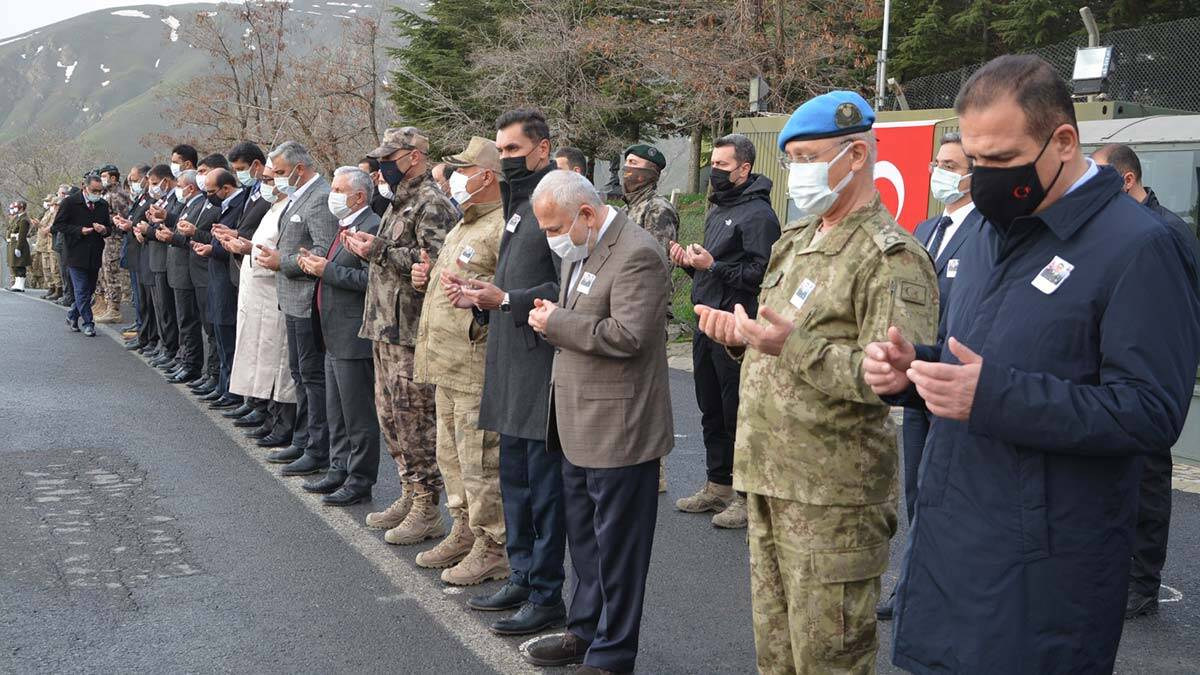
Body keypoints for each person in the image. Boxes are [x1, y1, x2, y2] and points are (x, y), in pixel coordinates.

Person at [860, 55, 1200, 674]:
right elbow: (980, 359)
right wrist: (914, 372)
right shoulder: (988, 230)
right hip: (952, 548)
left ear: (1064, 141)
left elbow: (1150, 411)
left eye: (1001, 160)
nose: (983, 179)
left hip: (1045, 576)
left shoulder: (1140, 246)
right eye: (975, 160)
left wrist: (991, 397)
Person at [698, 91, 939, 673]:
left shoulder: (890, 257)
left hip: (834, 496)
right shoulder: (797, 240)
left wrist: (791, 345)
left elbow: (892, 380)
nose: (797, 172)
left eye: (808, 158)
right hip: (770, 477)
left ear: (856, 156)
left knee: (829, 658)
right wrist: (743, 338)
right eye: (792, 160)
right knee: (776, 654)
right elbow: (777, 343)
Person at [521, 170, 672, 674]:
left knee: (619, 549)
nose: (551, 238)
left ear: (586, 213)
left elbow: (629, 335)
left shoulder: (638, 252)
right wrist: (555, 314)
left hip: (619, 428)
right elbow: (583, 313)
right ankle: (583, 632)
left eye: (554, 227)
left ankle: (613, 653)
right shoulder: (582, 246)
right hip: (576, 421)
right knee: (585, 542)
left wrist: (557, 322)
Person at [454, 109, 567, 637]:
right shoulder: (519, 203)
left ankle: (546, 593)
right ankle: (521, 576)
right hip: (508, 366)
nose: (505, 159)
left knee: (543, 492)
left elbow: (569, 288)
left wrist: (507, 299)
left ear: (543, 149)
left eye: (514, 150)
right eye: (500, 151)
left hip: (539, 369)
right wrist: (482, 298)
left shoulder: (555, 201)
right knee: (515, 485)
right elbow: (510, 283)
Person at [877, 132, 985, 621]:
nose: (940, 172)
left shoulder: (985, 230)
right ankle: (914, 586)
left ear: (973, 175)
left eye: (951, 165)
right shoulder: (926, 227)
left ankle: (944, 592)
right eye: (937, 163)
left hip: (954, 377)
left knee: (948, 493)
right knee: (917, 490)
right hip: (917, 377)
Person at [1091, 142, 1200, 621]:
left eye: (1097, 174)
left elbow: (1184, 308)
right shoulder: (1114, 227)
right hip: (1113, 370)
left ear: (1127, 180)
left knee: (1149, 478)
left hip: (1153, 373)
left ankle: (1142, 583)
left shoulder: (1167, 231)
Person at [345, 127, 456, 544]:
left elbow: (437, 260)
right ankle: (409, 492)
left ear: (414, 157)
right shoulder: (398, 201)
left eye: (389, 158)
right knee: (391, 418)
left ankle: (427, 506)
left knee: (415, 420)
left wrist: (378, 250)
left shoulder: (432, 202)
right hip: (384, 327)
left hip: (410, 330)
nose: (383, 166)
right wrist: (372, 246)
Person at [410, 136, 508, 585]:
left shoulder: (501, 227)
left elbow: (503, 296)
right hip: (445, 364)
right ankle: (464, 530)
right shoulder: (464, 224)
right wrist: (423, 278)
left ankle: (494, 546)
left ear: (486, 176)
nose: (455, 177)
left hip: (474, 366)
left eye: (464, 170)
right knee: (449, 455)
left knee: (479, 461)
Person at [670, 134, 780, 529]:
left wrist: (713, 265)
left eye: (722, 165)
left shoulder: (759, 215)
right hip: (706, 323)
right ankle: (718, 485)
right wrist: (691, 264)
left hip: (737, 330)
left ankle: (748, 497)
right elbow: (713, 270)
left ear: (744, 169)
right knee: (711, 408)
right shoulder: (719, 207)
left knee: (739, 412)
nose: (714, 171)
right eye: (712, 163)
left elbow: (762, 275)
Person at [295, 166, 381, 506]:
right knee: (337, 411)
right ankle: (339, 468)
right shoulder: (345, 224)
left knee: (358, 415)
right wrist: (316, 264)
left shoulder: (371, 226)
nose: (332, 196)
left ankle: (360, 480)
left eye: (338, 190)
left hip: (353, 335)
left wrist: (326, 269)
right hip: (332, 333)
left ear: (358, 196)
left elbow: (371, 281)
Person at [255, 141, 338, 477]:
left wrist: (283, 262)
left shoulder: (320, 198)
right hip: (291, 299)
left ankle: (317, 448)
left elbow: (322, 251)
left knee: (312, 377)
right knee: (300, 374)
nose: (276, 178)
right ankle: (304, 439)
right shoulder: (298, 196)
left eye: (280, 172)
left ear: (299, 169)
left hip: (307, 301)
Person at [226, 171, 298, 449]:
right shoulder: (272, 207)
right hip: (257, 296)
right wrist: (245, 247)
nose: (265, 185)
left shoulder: (290, 207)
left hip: (273, 296)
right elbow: (262, 246)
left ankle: (283, 424)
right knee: (261, 358)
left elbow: (281, 253)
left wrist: (251, 250)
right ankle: (268, 415)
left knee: (278, 363)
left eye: (271, 178)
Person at [195, 168, 248, 409]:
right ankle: (222, 386)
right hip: (216, 279)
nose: (208, 196)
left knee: (228, 338)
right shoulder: (225, 205)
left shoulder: (240, 204)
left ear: (226, 188)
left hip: (229, 281)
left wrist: (214, 248)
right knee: (220, 337)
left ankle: (232, 391)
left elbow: (237, 244)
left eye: (210, 192)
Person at [153, 169, 207, 384]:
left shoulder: (199, 204)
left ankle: (191, 364)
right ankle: (183, 359)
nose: (177, 189)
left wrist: (172, 237)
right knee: (182, 319)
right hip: (177, 269)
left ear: (190, 188)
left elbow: (193, 237)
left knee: (188, 320)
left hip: (187, 270)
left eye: (179, 186)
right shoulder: (188, 205)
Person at [52, 173, 114, 337]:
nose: (97, 194)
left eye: (100, 191)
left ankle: (73, 314)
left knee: (89, 290)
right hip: (75, 253)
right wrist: (79, 230)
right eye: (94, 191)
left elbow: (109, 229)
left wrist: (104, 230)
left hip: (95, 253)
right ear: (84, 187)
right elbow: (58, 225)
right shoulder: (70, 203)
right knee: (81, 290)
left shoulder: (102, 205)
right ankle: (88, 323)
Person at [139, 165, 181, 372]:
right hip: (156, 259)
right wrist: (145, 230)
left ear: (166, 180)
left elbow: (171, 227)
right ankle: (165, 347)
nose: (152, 188)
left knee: (169, 310)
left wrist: (149, 230)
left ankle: (171, 349)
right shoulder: (161, 201)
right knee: (161, 308)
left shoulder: (176, 201)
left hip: (167, 260)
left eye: (155, 183)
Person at [621, 144, 678, 260]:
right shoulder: (625, 210)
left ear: (649, 172)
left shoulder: (658, 209)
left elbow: (659, 261)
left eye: (633, 163)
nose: (626, 167)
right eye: (626, 162)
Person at [94, 164, 130, 323]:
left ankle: (114, 309)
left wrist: (104, 219)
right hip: (107, 239)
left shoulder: (117, 195)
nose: (102, 179)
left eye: (104, 176)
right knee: (105, 273)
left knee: (112, 272)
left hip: (115, 240)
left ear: (113, 178)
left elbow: (122, 218)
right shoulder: (106, 194)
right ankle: (107, 305)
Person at [36, 194, 63, 300]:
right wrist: (39, 225)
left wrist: (42, 227)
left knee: (54, 268)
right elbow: (44, 227)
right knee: (47, 268)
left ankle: (59, 289)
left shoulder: (58, 215)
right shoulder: (48, 213)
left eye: (53, 204)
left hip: (53, 244)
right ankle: (51, 287)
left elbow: (51, 229)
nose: (50, 206)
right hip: (45, 244)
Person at [7, 201, 32, 292]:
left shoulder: (24, 219)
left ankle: (21, 285)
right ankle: (17, 283)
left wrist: (19, 248)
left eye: (16, 207)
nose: (14, 209)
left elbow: (22, 235)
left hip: (20, 244)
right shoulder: (18, 218)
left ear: (21, 208)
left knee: (20, 265)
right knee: (15, 265)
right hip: (14, 243)